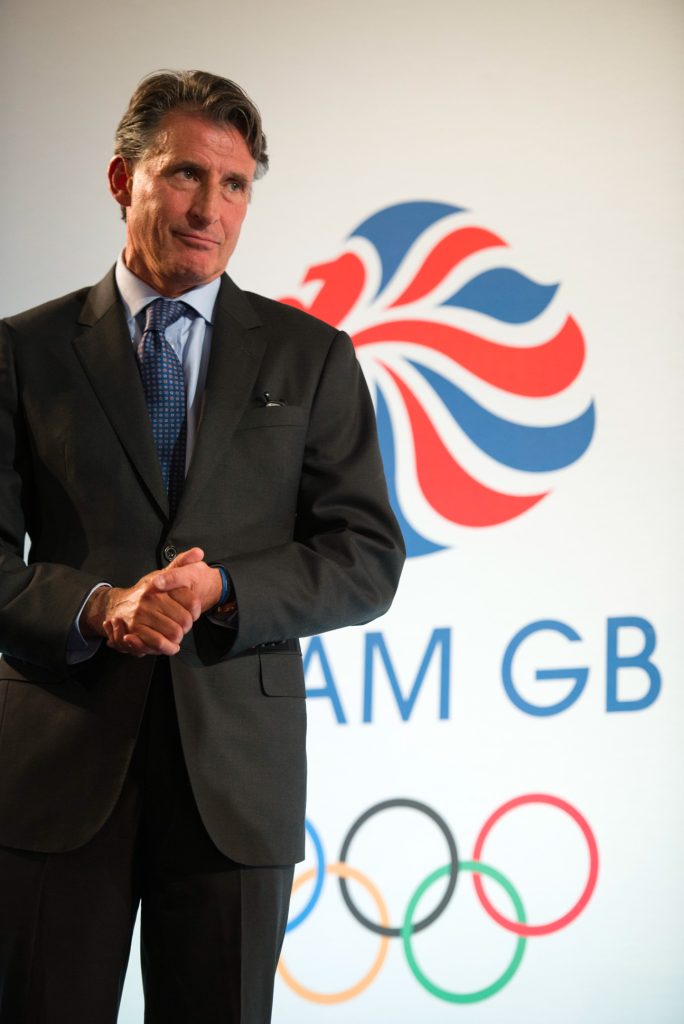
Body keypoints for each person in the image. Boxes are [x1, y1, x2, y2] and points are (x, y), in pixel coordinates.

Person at [0, 70, 404, 1023]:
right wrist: (99, 607)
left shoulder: (312, 356)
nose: (209, 210)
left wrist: (224, 588)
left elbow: (364, 556)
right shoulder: (22, 351)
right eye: (185, 174)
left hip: (236, 781)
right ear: (122, 179)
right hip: (55, 773)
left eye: (235, 185)